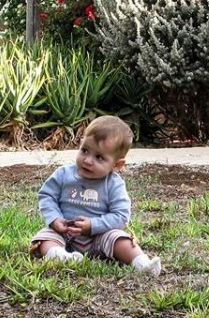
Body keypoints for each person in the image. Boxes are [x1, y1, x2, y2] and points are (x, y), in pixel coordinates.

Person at [30, 115, 162, 276]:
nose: (88, 160)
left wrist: (93, 225)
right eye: (85, 150)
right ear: (80, 144)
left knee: (120, 239)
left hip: (99, 237)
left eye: (99, 157)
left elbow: (121, 215)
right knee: (44, 238)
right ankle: (60, 256)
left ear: (117, 165)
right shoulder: (63, 174)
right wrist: (55, 219)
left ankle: (142, 263)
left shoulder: (113, 184)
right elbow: (47, 196)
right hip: (64, 234)